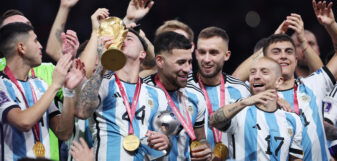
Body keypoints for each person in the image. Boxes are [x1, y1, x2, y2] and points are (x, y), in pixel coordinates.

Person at [262, 0, 337, 161]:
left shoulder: (312, 85)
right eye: (276, 52)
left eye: (289, 51)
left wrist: (331, 25)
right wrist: (273, 38)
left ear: (296, 58)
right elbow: (236, 77)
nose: (283, 56)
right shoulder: (256, 92)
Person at [75, 25, 170, 161]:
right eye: (120, 38)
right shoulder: (101, 84)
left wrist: (166, 141)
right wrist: (103, 64)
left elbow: (164, 143)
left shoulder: (158, 95)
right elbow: (81, 112)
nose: (122, 40)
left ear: (142, 53)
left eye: (129, 38)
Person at [0, 23, 83, 160]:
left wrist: (68, 91)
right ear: (21, 47)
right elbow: (23, 121)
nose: (40, 46)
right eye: (35, 40)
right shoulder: (2, 84)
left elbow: (63, 133)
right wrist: (56, 84)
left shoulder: (40, 85)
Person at [210, 57, 303, 161]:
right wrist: (244, 102)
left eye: (264, 72)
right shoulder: (239, 110)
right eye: (253, 72)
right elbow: (213, 121)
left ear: (278, 81)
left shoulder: (293, 119)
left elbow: (295, 158)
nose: (256, 76)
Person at [143, 31, 211, 161]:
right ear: (160, 61)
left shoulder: (195, 97)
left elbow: (200, 138)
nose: (187, 69)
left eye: (189, 62)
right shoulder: (141, 93)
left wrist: (203, 150)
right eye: (181, 62)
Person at [187, 26, 250, 159]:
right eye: (202, 52)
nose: (207, 59)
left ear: (226, 55)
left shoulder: (241, 90)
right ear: (196, 53)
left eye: (214, 53)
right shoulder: (183, 88)